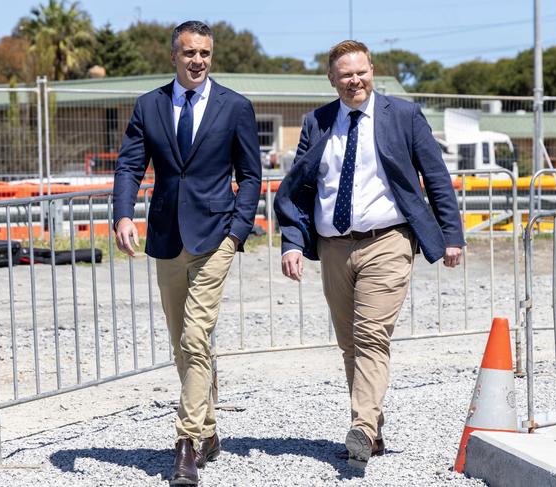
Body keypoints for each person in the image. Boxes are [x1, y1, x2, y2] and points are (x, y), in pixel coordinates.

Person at [274, 40, 464, 469]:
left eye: (361, 72)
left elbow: (435, 175)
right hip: (334, 246)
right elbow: (301, 187)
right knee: (349, 345)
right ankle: (372, 433)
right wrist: (291, 242)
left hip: (388, 241)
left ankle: (359, 426)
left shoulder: (403, 115)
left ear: (372, 71)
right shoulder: (317, 122)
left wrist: (451, 234)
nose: (354, 80)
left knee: (370, 337)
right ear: (332, 79)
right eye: (345, 75)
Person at [113, 21, 261, 485]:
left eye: (205, 53)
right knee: (184, 342)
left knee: (196, 338)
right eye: (189, 53)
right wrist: (122, 215)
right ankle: (211, 429)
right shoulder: (149, 105)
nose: (198, 61)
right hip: (166, 239)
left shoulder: (235, 106)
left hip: (216, 237)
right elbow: (130, 165)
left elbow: (251, 176)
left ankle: (186, 442)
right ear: (174, 55)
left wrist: (237, 232)